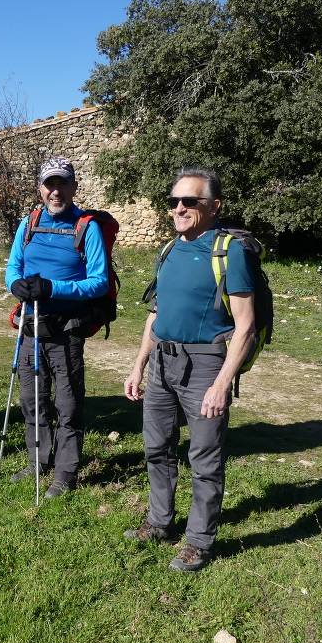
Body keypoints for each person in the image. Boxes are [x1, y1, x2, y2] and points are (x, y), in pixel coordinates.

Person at [123, 167, 256, 572]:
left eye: (190, 201)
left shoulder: (229, 251)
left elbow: (246, 325)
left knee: (204, 457)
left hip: (205, 365)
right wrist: (138, 363)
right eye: (174, 201)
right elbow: (156, 313)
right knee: (156, 447)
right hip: (163, 359)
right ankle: (160, 522)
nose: (179, 208)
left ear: (214, 207)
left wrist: (222, 382)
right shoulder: (169, 250)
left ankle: (199, 542)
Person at [4, 157, 109, 499]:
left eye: (62, 183)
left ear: (74, 187)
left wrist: (52, 288)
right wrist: (16, 286)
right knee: (31, 398)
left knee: (67, 401)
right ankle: (38, 460)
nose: (55, 191)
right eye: (49, 184)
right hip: (31, 325)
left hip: (67, 328)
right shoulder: (29, 223)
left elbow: (99, 282)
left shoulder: (86, 227)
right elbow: (13, 268)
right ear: (40, 189)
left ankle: (65, 472)